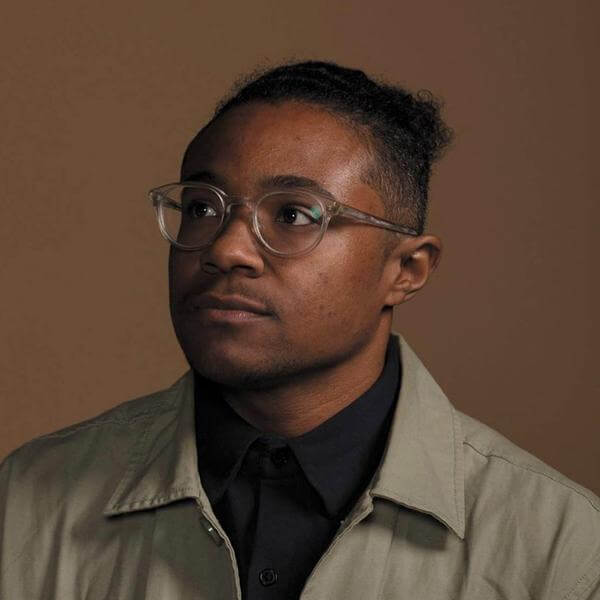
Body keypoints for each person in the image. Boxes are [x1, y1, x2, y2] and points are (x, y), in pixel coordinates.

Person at [1, 61, 599, 600]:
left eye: (293, 214)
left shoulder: (564, 549)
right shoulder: (26, 501)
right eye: (203, 207)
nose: (226, 249)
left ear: (406, 270)